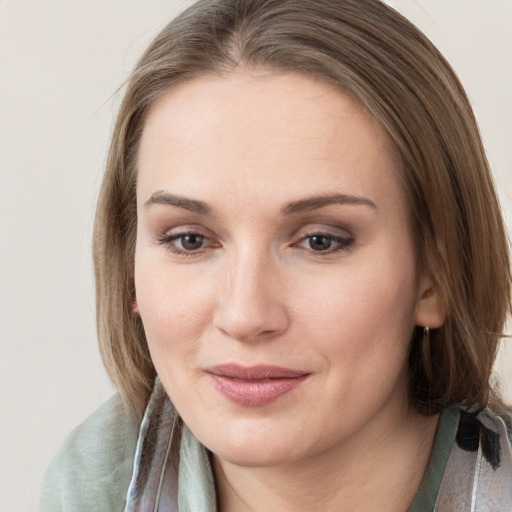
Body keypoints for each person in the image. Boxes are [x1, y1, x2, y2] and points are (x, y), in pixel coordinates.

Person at [40, 0, 512, 510]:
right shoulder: (90, 487)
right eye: (189, 240)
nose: (245, 316)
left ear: (434, 277)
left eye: (320, 240)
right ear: (130, 270)